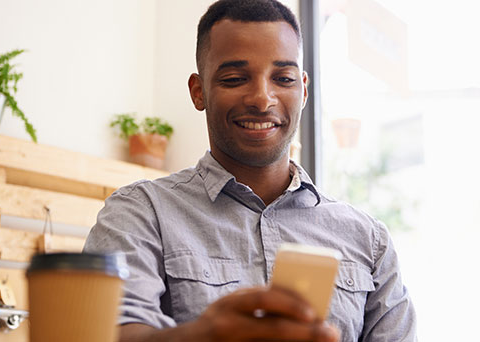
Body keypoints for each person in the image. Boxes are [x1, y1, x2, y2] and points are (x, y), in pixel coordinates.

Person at [84, 0, 417, 341]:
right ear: (199, 92)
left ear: (303, 89)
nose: (262, 98)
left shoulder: (369, 241)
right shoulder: (139, 214)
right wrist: (204, 335)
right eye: (234, 78)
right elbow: (106, 333)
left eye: (283, 78)